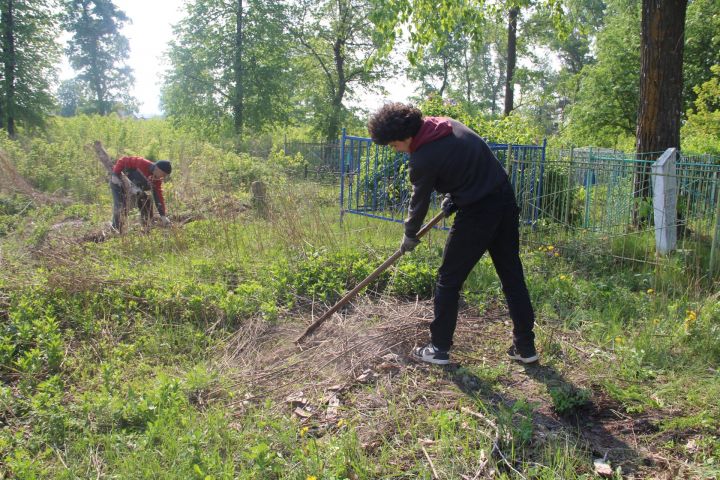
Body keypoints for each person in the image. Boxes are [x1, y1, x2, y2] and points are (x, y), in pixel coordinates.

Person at [367, 102, 538, 365]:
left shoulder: (422, 157)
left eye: (394, 145)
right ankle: (526, 347)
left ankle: (438, 348)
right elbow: (468, 165)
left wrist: (410, 234)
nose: (397, 150)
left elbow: (419, 202)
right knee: (511, 275)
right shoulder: (447, 125)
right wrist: (453, 197)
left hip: (478, 213)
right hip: (504, 200)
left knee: (448, 280)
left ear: (404, 137)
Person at [109, 156, 172, 232]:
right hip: (118, 182)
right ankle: (115, 229)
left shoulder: (156, 180)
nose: (164, 177)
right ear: (158, 169)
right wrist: (115, 174)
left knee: (147, 202)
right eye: (164, 174)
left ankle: (147, 225)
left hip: (135, 189)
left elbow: (158, 196)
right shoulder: (142, 163)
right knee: (121, 206)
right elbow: (123, 160)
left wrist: (163, 215)